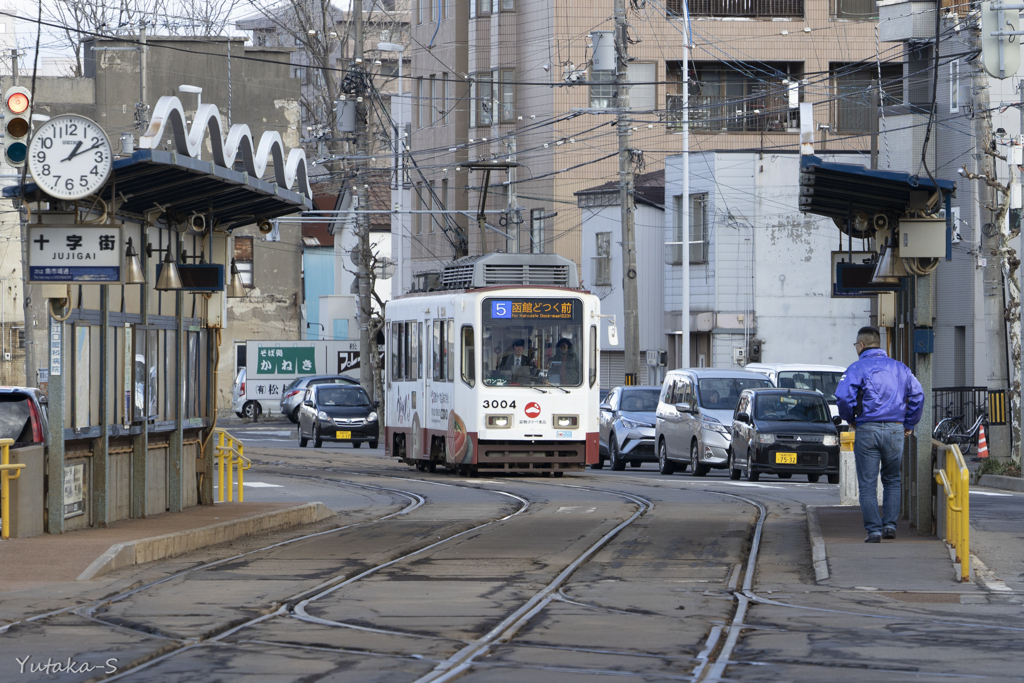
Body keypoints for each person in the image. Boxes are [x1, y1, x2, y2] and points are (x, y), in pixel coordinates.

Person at [835, 326, 924, 543]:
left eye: (856, 345)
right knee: (892, 479)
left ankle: (874, 530)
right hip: (895, 428)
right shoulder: (900, 368)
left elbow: (844, 397)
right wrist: (908, 423)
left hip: (867, 429)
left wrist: (852, 420)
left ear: (862, 345)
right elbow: (918, 395)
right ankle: (890, 526)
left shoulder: (856, 368)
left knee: (867, 482)